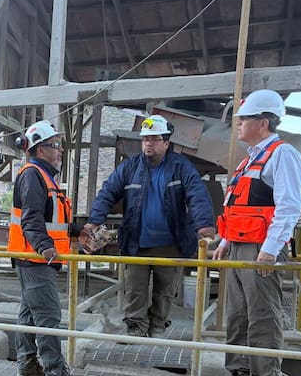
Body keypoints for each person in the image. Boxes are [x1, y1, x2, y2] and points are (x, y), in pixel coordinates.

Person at [205, 89, 301, 376]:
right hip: (238, 247)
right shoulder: (250, 158)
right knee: (237, 315)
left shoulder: (282, 154)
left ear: (263, 122)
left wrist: (270, 251)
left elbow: (288, 206)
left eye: (243, 118)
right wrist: (225, 241)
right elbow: (240, 207)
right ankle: (240, 375)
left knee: (262, 318)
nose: (238, 124)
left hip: (260, 250)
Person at [83, 114, 215, 339]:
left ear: (166, 142)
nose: (148, 144)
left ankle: (157, 325)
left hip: (171, 243)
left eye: (154, 139)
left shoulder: (181, 167)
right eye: (145, 139)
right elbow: (108, 192)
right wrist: (95, 219)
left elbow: (197, 194)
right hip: (137, 242)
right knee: (135, 289)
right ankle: (136, 326)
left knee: (165, 291)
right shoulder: (130, 167)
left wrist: (204, 226)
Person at [8, 120, 86, 376]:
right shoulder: (33, 175)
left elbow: (53, 220)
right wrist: (45, 247)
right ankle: (54, 371)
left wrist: (79, 231)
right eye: (56, 145)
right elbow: (31, 220)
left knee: (30, 314)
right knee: (48, 314)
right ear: (41, 149)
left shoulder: (44, 176)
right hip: (36, 258)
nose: (60, 150)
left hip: (36, 257)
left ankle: (28, 365)